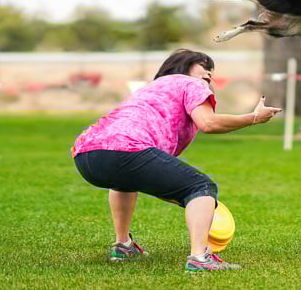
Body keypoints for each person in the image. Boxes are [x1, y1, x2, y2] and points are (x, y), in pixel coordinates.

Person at [71, 49, 282, 272]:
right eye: (204, 66)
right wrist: (254, 117)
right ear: (183, 65)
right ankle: (200, 259)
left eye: (211, 71)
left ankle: (123, 246)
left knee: (125, 182)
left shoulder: (150, 89)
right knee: (200, 186)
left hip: (87, 155)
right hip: (126, 150)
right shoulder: (191, 84)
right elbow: (208, 123)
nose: (209, 74)